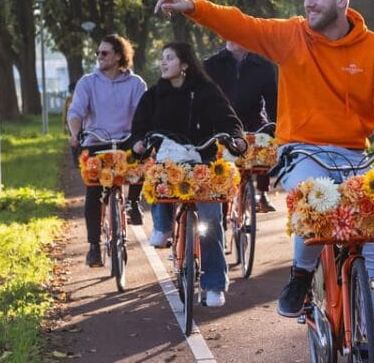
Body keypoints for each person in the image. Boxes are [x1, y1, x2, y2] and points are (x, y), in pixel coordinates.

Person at [150, 0, 374, 359]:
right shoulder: (292, 35)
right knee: (313, 197)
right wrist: (192, 7)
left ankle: (373, 341)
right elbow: (243, 25)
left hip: (352, 153)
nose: (309, 2)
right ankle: (301, 275)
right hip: (301, 150)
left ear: (341, 0)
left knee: (372, 239)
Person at [130, 42, 247, 308]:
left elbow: (228, 119)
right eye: (162, 58)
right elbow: (139, 126)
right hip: (169, 161)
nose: (163, 62)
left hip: (203, 162)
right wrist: (137, 142)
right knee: (157, 176)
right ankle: (163, 225)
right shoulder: (154, 95)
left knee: (211, 220)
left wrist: (236, 138)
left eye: (169, 58)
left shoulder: (206, 90)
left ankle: (214, 285)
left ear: (184, 64)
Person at [67, 35, 147, 267]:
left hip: (126, 141)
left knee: (143, 159)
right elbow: (76, 112)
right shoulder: (87, 83)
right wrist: (76, 134)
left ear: (119, 56)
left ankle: (133, 201)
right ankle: (94, 247)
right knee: (93, 191)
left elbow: (142, 113)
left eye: (104, 53)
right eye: (98, 53)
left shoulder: (136, 84)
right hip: (96, 141)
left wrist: (142, 135)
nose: (99, 57)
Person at [204, 40, 279, 212]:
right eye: (227, 35)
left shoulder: (263, 65)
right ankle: (223, 201)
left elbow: (273, 102)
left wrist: (277, 126)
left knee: (267, 139)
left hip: (253, 120)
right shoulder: (210, 65)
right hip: (222, 122)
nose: (231, 38)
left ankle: (262, 192)